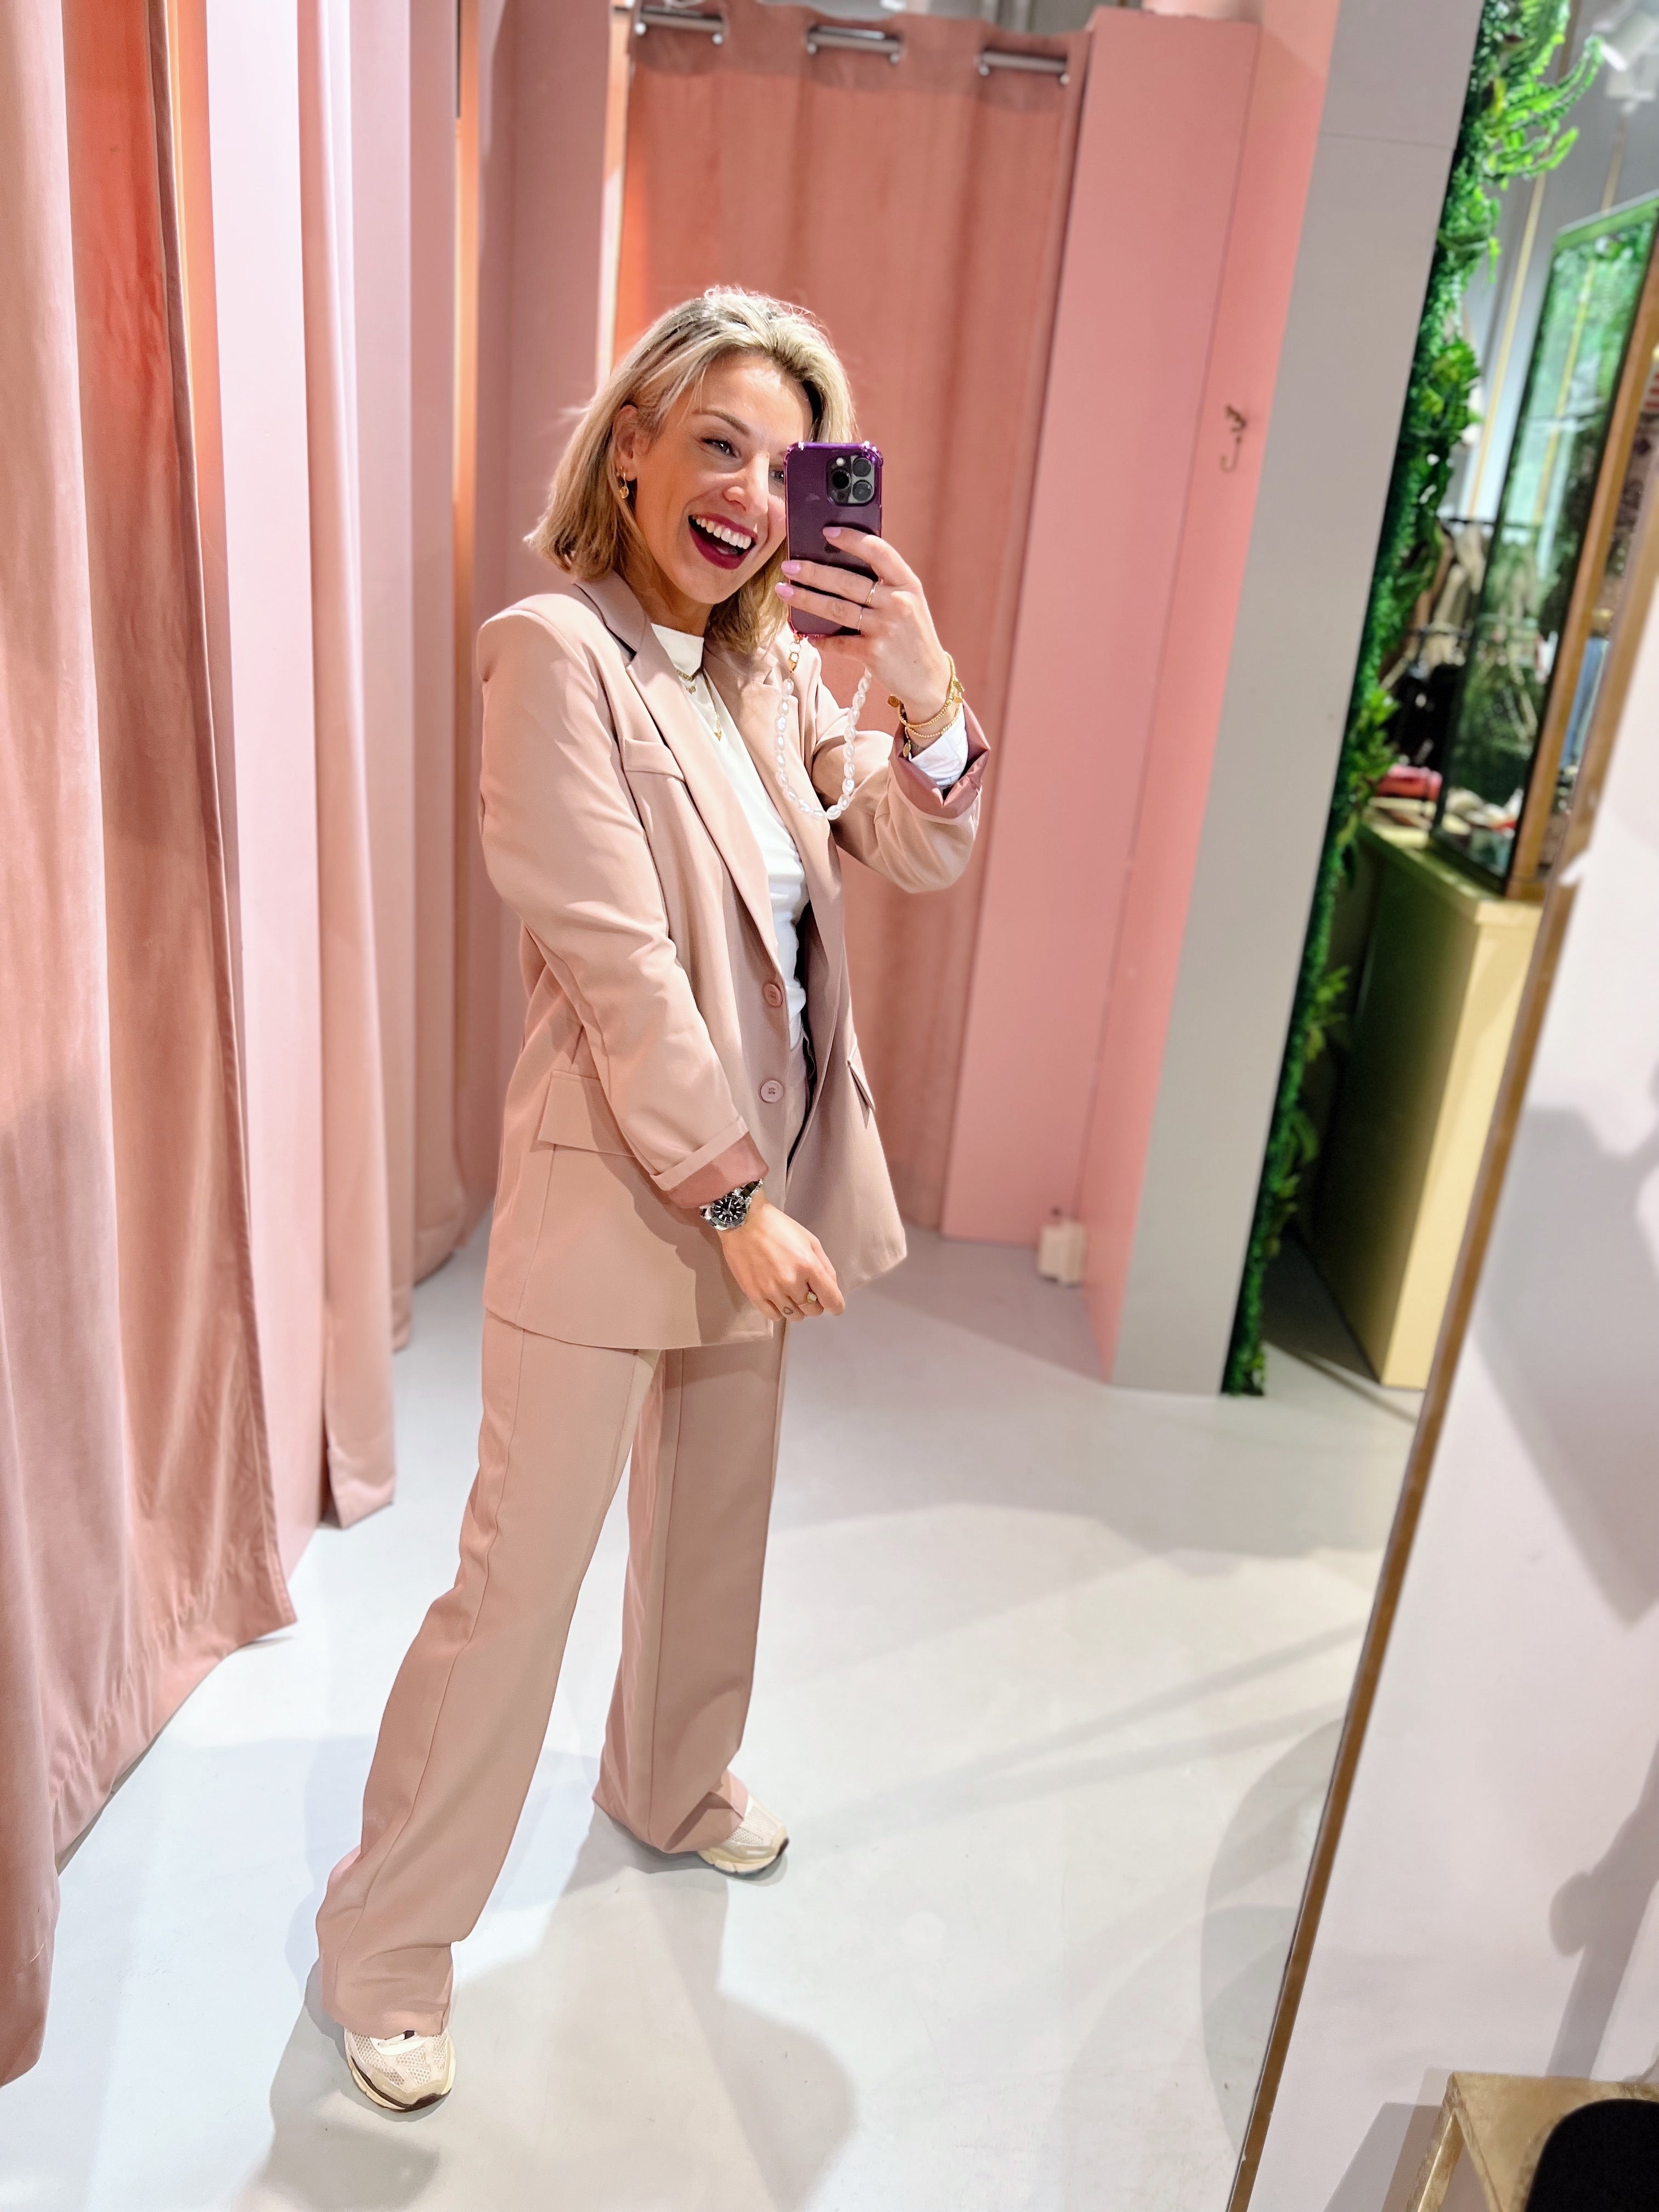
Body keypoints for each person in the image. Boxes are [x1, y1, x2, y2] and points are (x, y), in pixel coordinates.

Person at [314, 289, 987, 2112]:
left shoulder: (768, 673)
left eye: (788, 466)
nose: (753, 494)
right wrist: (732, 1206)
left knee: (713, 1534)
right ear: (632, 447)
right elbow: (620, 965)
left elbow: (912, 840)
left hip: (759, 1188)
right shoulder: (553, 654)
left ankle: (671, 1785)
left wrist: (919, 673)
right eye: (719, 445)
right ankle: (384, 1950)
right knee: (516, 1592)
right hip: (628, 1195)